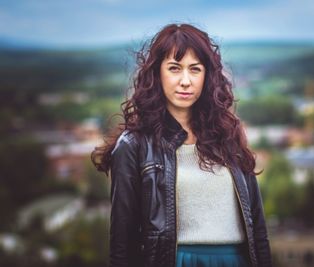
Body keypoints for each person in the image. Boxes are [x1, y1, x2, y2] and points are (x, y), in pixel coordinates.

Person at [92, 23, 272, 267]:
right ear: (157, 73)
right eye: (175, 68)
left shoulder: (229, 136)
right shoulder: (134, 146)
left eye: (195, 69)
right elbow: (122, 245)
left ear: (207, 76)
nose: (185, 81)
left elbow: (258, 230)